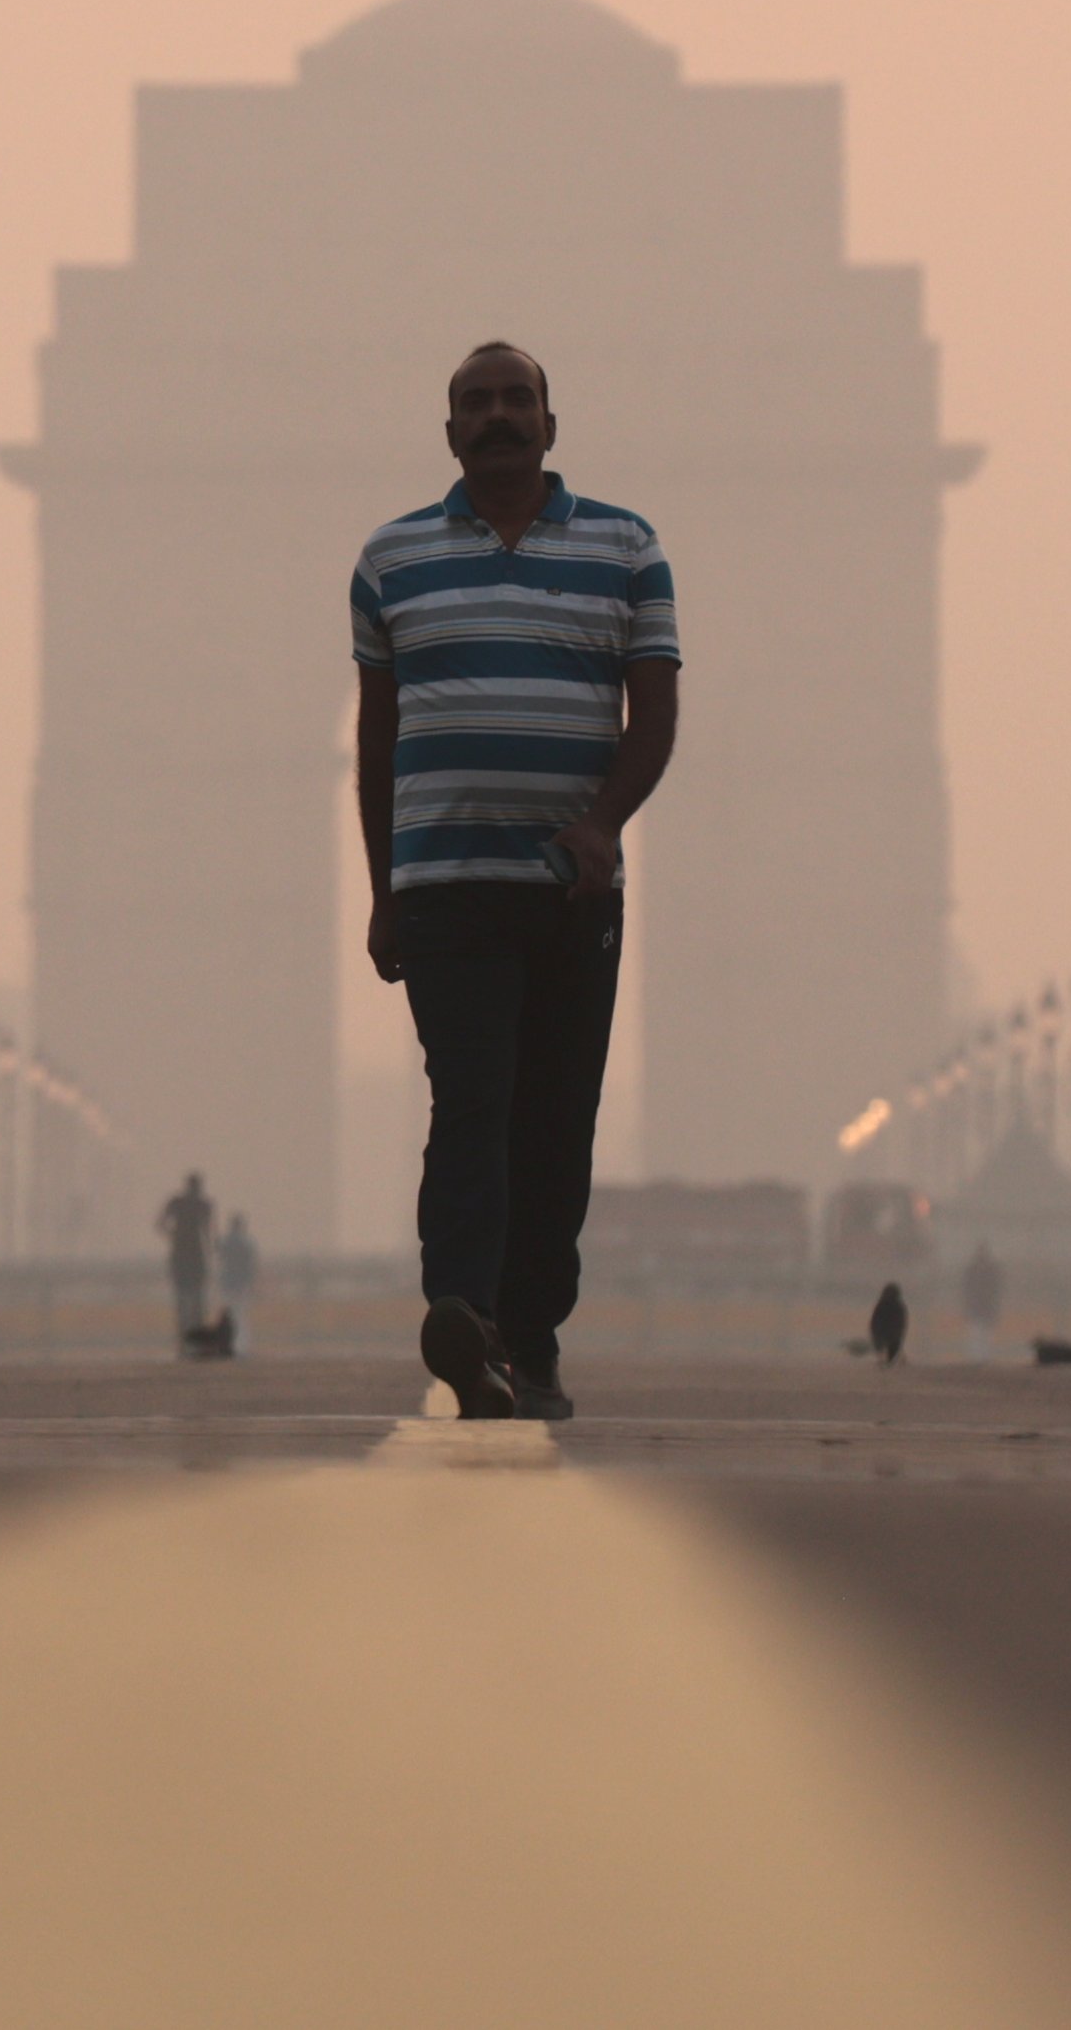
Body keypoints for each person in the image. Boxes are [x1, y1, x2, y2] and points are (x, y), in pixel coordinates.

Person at [356, 341, 680, 1421]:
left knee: (553, 1120)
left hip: (569, 890)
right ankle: (464, 1314)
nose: (496, 417)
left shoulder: (628, 549)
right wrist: (383, 886)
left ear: (550, 421)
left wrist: (603, 823)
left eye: (514, 399)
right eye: (474, 403)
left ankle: (529, 1332)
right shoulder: (389, 561)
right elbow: (378, 737)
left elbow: (656, 716)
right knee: (471, 1103)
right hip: (446, 884)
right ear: (448, 431)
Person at [159, 1173, 215, 1342]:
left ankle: (187, 1340)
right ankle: (192, 1340)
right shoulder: (203, 1204)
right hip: (194, 1255)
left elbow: (160, 1224)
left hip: (182, 1254)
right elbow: (207, 1232)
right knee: (195, 1300)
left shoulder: (178, 1202)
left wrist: (173, 1236)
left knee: (185, 1300)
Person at [214, 1211, 259, 1353]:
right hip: (240, 1282)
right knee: (241, 1314)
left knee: (231, 1313)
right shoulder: (246, 1243)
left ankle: (232, 1345)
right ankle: (241, 1345)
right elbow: (250, 1265)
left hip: (229, 1282)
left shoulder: (227, 1241)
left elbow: (220, 1256)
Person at [959, 1241, 1006, 1363]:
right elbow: (967, 1290)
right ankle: (979, 1357)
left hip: (981, 1305)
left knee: (981, 1333)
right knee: (978, 1332)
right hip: (981, 1305)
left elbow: (967, 1290)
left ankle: (980, 1357)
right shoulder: (989, 1270)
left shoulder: (974, 1269)